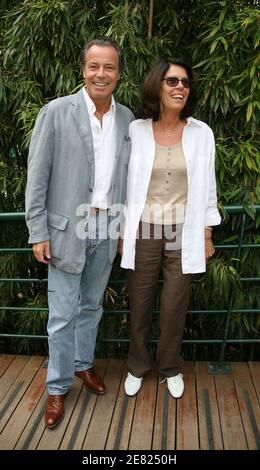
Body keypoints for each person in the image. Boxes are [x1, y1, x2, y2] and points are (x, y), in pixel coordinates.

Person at [25, 37, 134, 428]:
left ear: (118, 74)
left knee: (92, 305)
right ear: (83, 70)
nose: (100, 74)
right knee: (61, 314)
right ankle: (56, 387)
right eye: (94, 66)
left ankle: (83, 364)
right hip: (66, 229)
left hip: (107, 226)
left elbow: (126, 178)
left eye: (109, 67)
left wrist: (121, 229)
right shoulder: (56, 112)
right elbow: (36, 178)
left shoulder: (127, 118)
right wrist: (38, 232)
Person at [120, 58, 221, 399]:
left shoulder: (201, 133)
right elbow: (124, 184)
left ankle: (170, 367)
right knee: (140, 301)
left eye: (186, 83)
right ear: (157, 86)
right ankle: (136, 366)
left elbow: (209, 186)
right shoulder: (135, 130)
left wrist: (207, 232)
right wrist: (122, 231)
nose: (180, 87)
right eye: (172, 81)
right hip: (143, 229)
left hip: (184, 231)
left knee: (175, 304)